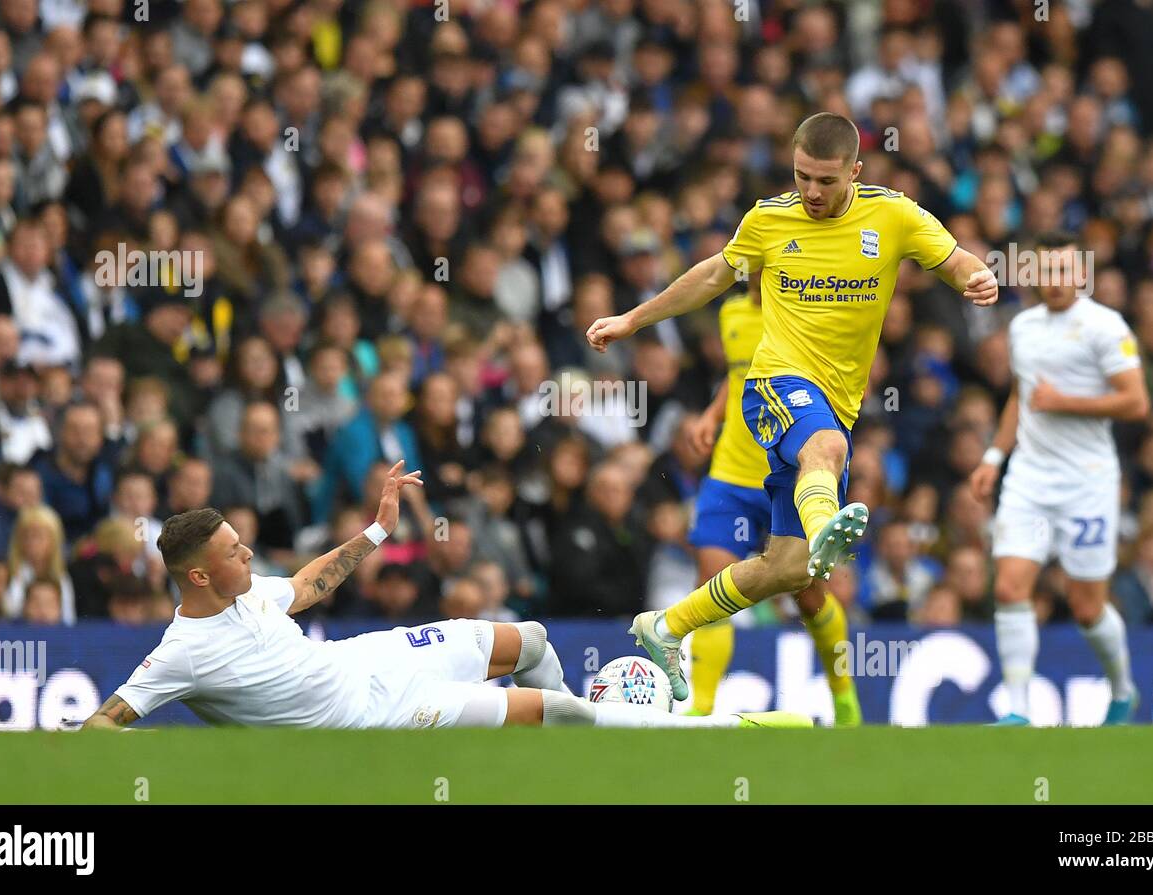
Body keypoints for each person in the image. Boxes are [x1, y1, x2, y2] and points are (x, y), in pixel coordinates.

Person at [586, 111, 997, 700]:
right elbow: (709, 278)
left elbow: (955, 261)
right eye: (801, 175)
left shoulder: (894, 215)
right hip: (775, 383)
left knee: (788, 569)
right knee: (824, 450)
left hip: (837, 402)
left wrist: (978, 278)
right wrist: (632, 318)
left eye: (826, 181)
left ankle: (666, 626)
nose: (810, 191)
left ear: (855, 171)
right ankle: (827, 520)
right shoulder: (769, 220)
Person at [81, 461, 810, 730]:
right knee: (555, 709)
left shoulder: (247, 593)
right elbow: (109, 720)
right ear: (198, 575)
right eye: (234, 552)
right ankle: (723, 731)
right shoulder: (180, 651)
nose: (248, 553)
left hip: (370, 658)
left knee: (528, 638)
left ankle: (569, 747)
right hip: (373, 713)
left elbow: (305, 584)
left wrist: (374, 529)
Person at [969, 231, 1150, 726]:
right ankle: (1018, 710)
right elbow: (1021, 398)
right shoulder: (1023, 327)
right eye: (1046, 272)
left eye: (1065, 271)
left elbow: (1136, 401)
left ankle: (1122, 689)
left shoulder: (1104, 327)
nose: (1054, 281)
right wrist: (993, 456)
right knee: (1009, 588)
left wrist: (1064, 402)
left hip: (1087, 482)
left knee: (1087, 607)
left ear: (1083, 275)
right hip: (1029, 477)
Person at [683, 277, 861, 724]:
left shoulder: (802, 312)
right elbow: (740, 372)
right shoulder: (731, 313)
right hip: (729, 475)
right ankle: (701, 709)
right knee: (710, 578)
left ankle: (843, 696)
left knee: (807, 593)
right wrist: (712, 412)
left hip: (789, 470)